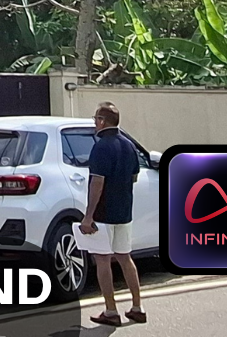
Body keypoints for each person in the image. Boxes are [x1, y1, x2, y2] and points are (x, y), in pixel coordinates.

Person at [80, 101, 145, 326]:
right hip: (124, 211)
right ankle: (137, 307)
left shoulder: (101, 147)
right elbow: (134, 176)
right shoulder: (128, 145)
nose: (94, 123)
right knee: (125, 257)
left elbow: (97, 183)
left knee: (103, 259)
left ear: (101, 121)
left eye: (95, 119)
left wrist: (88, 216)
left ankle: (110, 310)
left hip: (104, 214)